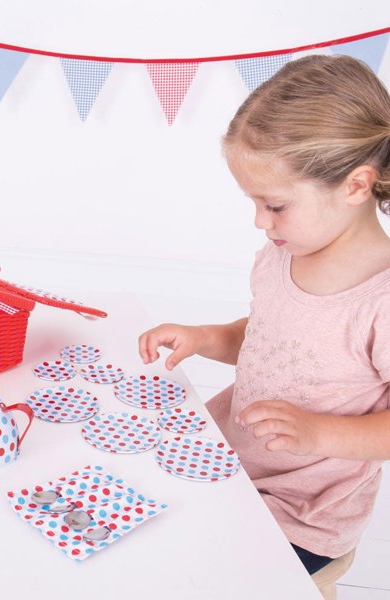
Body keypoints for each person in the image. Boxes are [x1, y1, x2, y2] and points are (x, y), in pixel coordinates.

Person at [139, 54, 390, 576]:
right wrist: (208, 337)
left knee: (204, 574)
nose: (259, 220)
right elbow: (268, 337)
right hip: (229, 463)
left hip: (304, 513)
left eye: (274, 205)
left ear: (357, 186)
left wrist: (319, 433)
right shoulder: (283, 255)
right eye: (253, 202)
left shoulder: (380, 302)